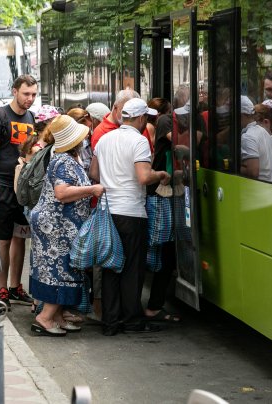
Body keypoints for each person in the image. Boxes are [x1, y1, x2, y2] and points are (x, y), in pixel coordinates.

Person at [90, 98, 171, 336]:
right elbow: (144, 177)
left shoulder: (104, 139)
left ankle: (110, 322)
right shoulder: (139, 141)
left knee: (110, 266)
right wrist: (162, 174)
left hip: (107, 211)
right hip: (131, 212)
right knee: (132, 269)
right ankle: (132, 321)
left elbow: (94, 172)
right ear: (141, 118)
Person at [29, 115, 104, 336]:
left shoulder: (66, 158)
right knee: (60, 270)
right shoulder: (63, 161)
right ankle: (44, 318)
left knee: (63, 268)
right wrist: (91, 190)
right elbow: (61, 193)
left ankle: (57, 315)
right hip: (56, 228)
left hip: (59, 226)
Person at [0, 75, 38, 309]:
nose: (30, 99)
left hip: (22, 189)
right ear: (15, 91)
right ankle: (3, 287)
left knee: (21, 238)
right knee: (4, 239)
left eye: (34, 94)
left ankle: (16, 286)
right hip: (3, 186)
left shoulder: (32, 117)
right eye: (26, 94)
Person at [144, 97, 180, 323]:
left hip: (156, 196)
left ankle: (150, 305)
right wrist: (160, 175)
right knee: (162, 251)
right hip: (158, 196)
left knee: (158, 252)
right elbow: (144, 174)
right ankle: (152, 306)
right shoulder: (156, 128)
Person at [240, 96, 272, 182]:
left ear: (241, 115)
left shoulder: (248, 137)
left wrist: (233, 166)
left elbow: (253, 173)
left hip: (258, 189)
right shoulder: (263, 131)